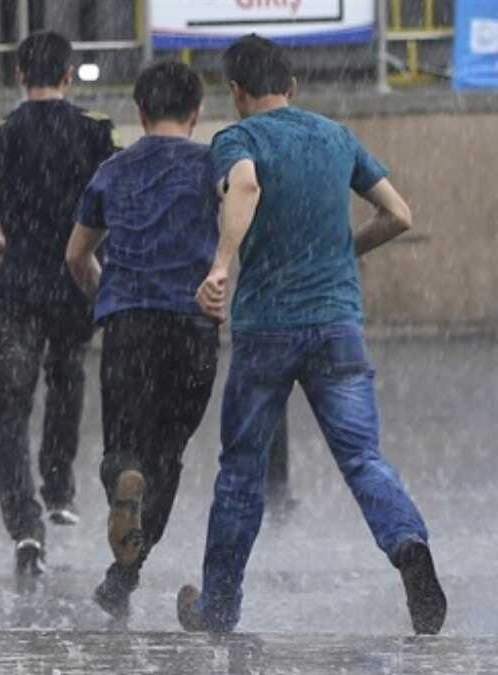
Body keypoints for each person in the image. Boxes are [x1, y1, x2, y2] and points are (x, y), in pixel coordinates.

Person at [176, 35, 447, 635]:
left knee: (242, 470)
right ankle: (407, 546)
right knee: (363, 458)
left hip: (268, 329)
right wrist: (341, 253)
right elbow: (399, 214)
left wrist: (221, 263)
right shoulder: (334, 136)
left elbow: (244, 187)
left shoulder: (237, 138)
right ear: (292, 88)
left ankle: (218, 609)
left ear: (236, 92)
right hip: (337, 326)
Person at [0, 31, 118, 578]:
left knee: (7, 411)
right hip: (74, 282)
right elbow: (118, 199)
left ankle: (25, 529)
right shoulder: (93, 132)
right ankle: (59, 486)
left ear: (19, 77)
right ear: (67, 76)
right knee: (67, 376)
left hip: (15, 290)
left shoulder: (3, 134)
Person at [65, 60, 219, 619]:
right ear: (196, 113)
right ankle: (123, 577)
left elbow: (76, 255)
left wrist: (108, 297)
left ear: (140, 111)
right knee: (168, 455)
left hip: (130, 325)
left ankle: (123, 490)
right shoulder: (213, 167)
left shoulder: (113, 169)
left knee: (123, 449)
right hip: (195, 325)